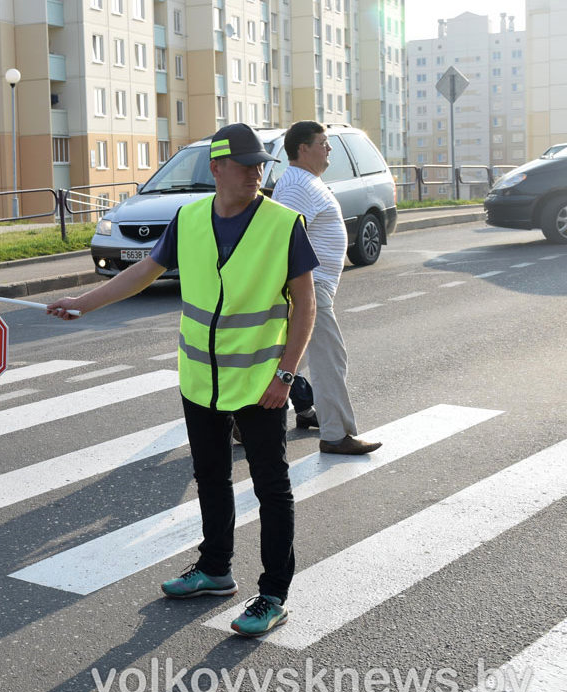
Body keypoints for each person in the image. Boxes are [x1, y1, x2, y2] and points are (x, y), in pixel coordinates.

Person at [47, 123, 318, 638]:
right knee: (211, 478)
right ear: (217, 168)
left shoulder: (284, 223)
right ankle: (215, 570)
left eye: (260, 164)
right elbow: (145, 271)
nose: (256, 173)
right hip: (201, 380)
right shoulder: (189, 219)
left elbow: (305, 305)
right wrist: (84, 303)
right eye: (245, 165)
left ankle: (274, 594)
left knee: (271, 487)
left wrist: (286, 374)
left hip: (261, 384)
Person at [271, 121, 382, 456]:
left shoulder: (305, 181)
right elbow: (282, 240)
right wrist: (298, 293)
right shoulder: (296, 186)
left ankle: (244, 421)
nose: (329, 148)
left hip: (314, 288)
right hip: (309, 289)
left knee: (289, 359)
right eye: (323, 142)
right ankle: (336, 434)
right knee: (330, 360)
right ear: (303, 149)